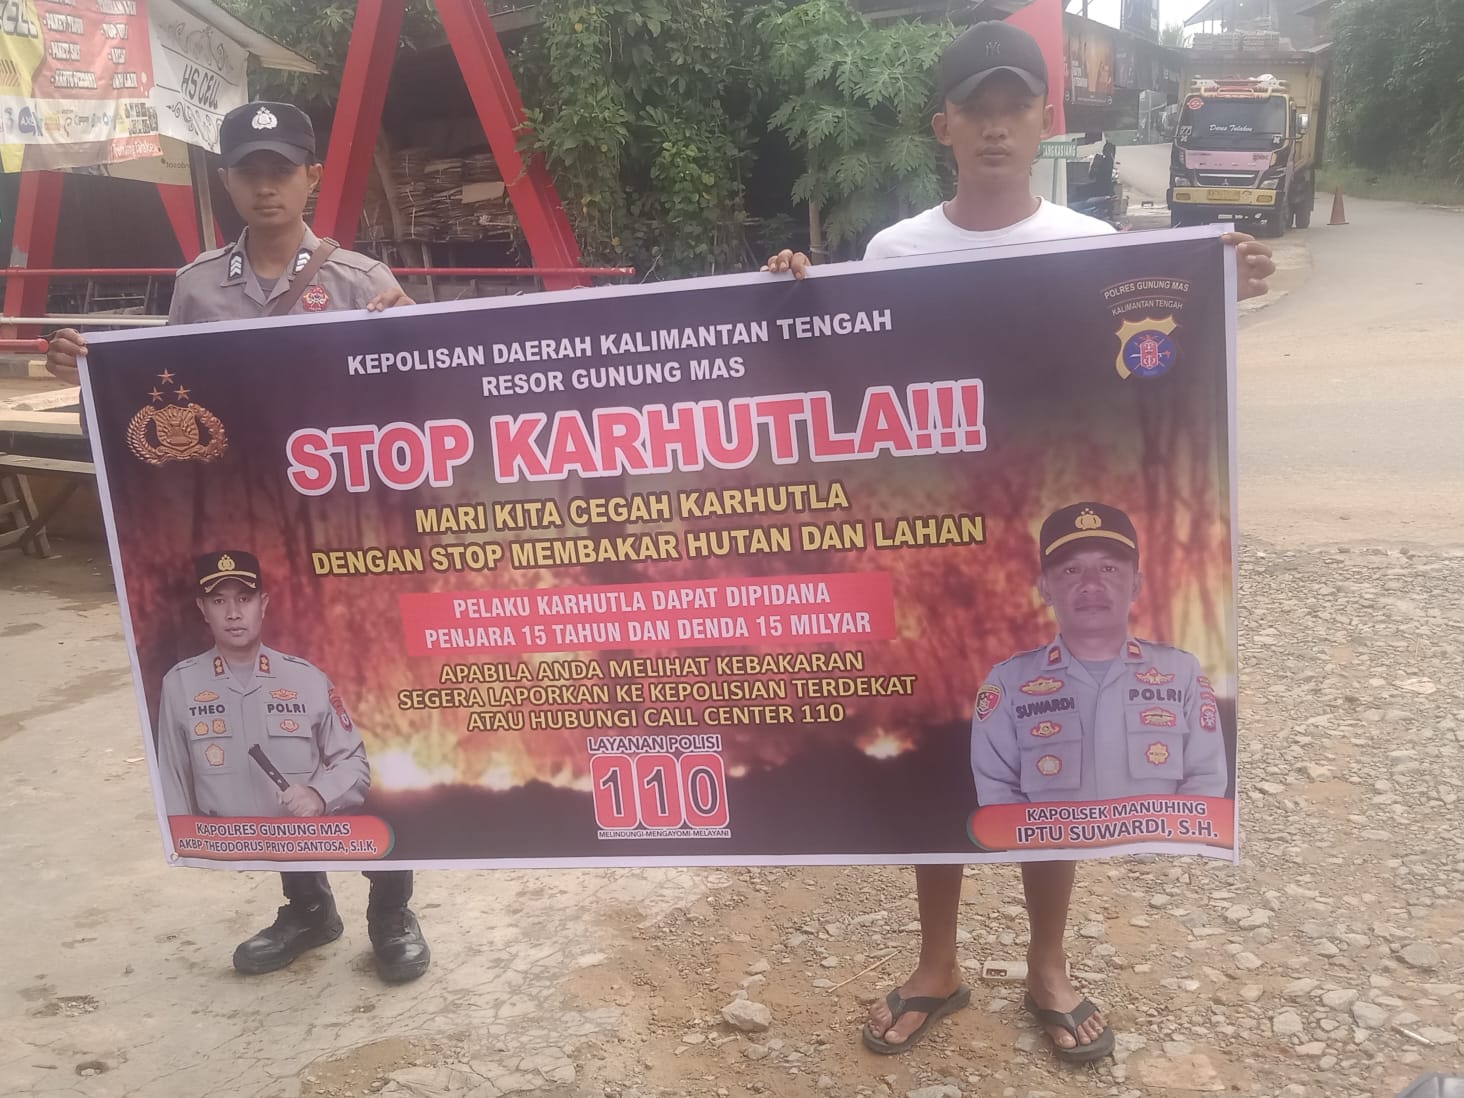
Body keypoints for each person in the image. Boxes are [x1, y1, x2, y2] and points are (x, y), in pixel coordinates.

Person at [764, 20, 1274, 1061]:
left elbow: (1148, 374)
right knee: (936, 755)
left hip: (1050, 549)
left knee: (1058, 768)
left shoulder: (1095, 251)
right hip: (933, 562)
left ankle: (1049, 964)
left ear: (1046, 121)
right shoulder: (893, 255)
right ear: (942, 125)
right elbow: (846, 396)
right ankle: (937, 964)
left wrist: (1220, 279)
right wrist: (790, 303)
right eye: (976, 109)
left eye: (1014, 108)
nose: (995, 127)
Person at [47, 102, 428, 984]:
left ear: (311, 177)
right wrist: (92, 377)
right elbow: (163, 411)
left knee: (373, 715)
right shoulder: (197, 289)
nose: (265, 185)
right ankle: (308, 906)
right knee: (271, 725)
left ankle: (392, 904)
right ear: (225, 180)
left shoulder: (366, 281)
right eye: (249, 170)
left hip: (350, 540)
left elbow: (417, 409)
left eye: (281, 168)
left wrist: (411, 338)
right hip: (246, 537)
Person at [971, 501, 1228, 810]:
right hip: (1051, 840)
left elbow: (1205, 777)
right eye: (1071, 570)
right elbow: (998, 792)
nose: (1091, 584)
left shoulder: (1181, 673)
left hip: (1161, 840)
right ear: (1046, 588)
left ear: (1135, 585)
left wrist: (1163, 833)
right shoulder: (1009, 682)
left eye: (1109, 569)